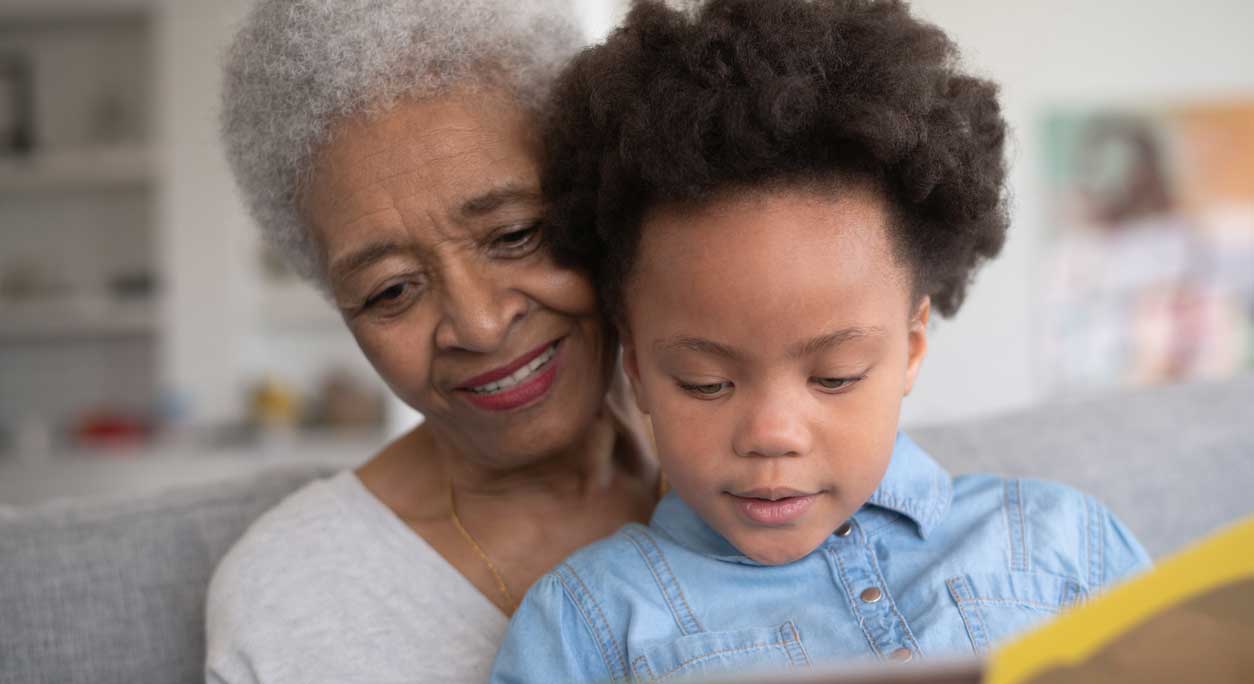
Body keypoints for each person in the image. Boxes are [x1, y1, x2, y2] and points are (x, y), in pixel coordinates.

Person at [490, 0, 1151, 681]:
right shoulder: (589, 623)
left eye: (834, 375)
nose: (772, 434)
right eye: (706, 382)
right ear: (635, 366)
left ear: (913, 347)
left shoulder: (1065, 547)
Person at [206, 1, 659, 682]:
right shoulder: (291, 598)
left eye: (514, 235)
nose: (478, 325)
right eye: (391, 290)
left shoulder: (779, 464)